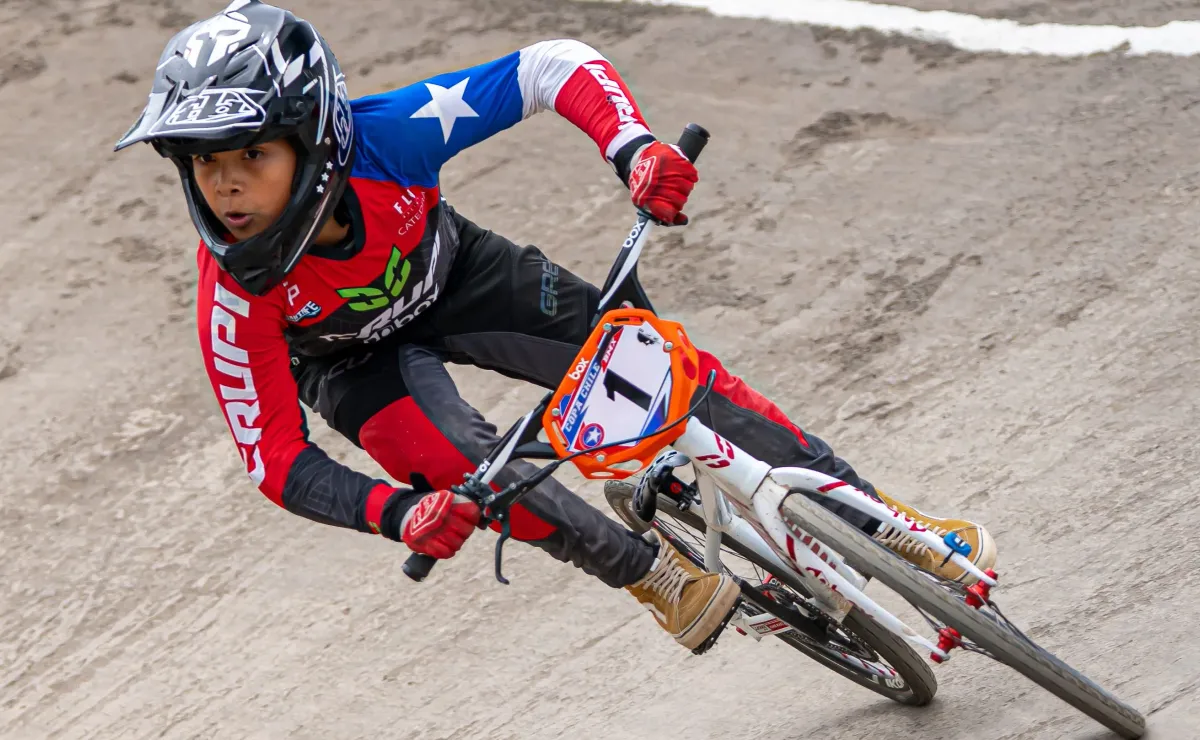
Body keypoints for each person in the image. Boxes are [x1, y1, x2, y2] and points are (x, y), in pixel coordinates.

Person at [115, 0, 996, 652]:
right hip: (352, 368)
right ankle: (645, 571)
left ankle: (885, 524)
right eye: (203, 163)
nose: (224, 187)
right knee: (465, 467)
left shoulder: (389, 138)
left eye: (250, 155)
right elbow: (274, 461)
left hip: (462, 274)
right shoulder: (232, 301)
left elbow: (549, 66)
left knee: (671, 375)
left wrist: (633, 147)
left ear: (317, 139)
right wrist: (399, 514)